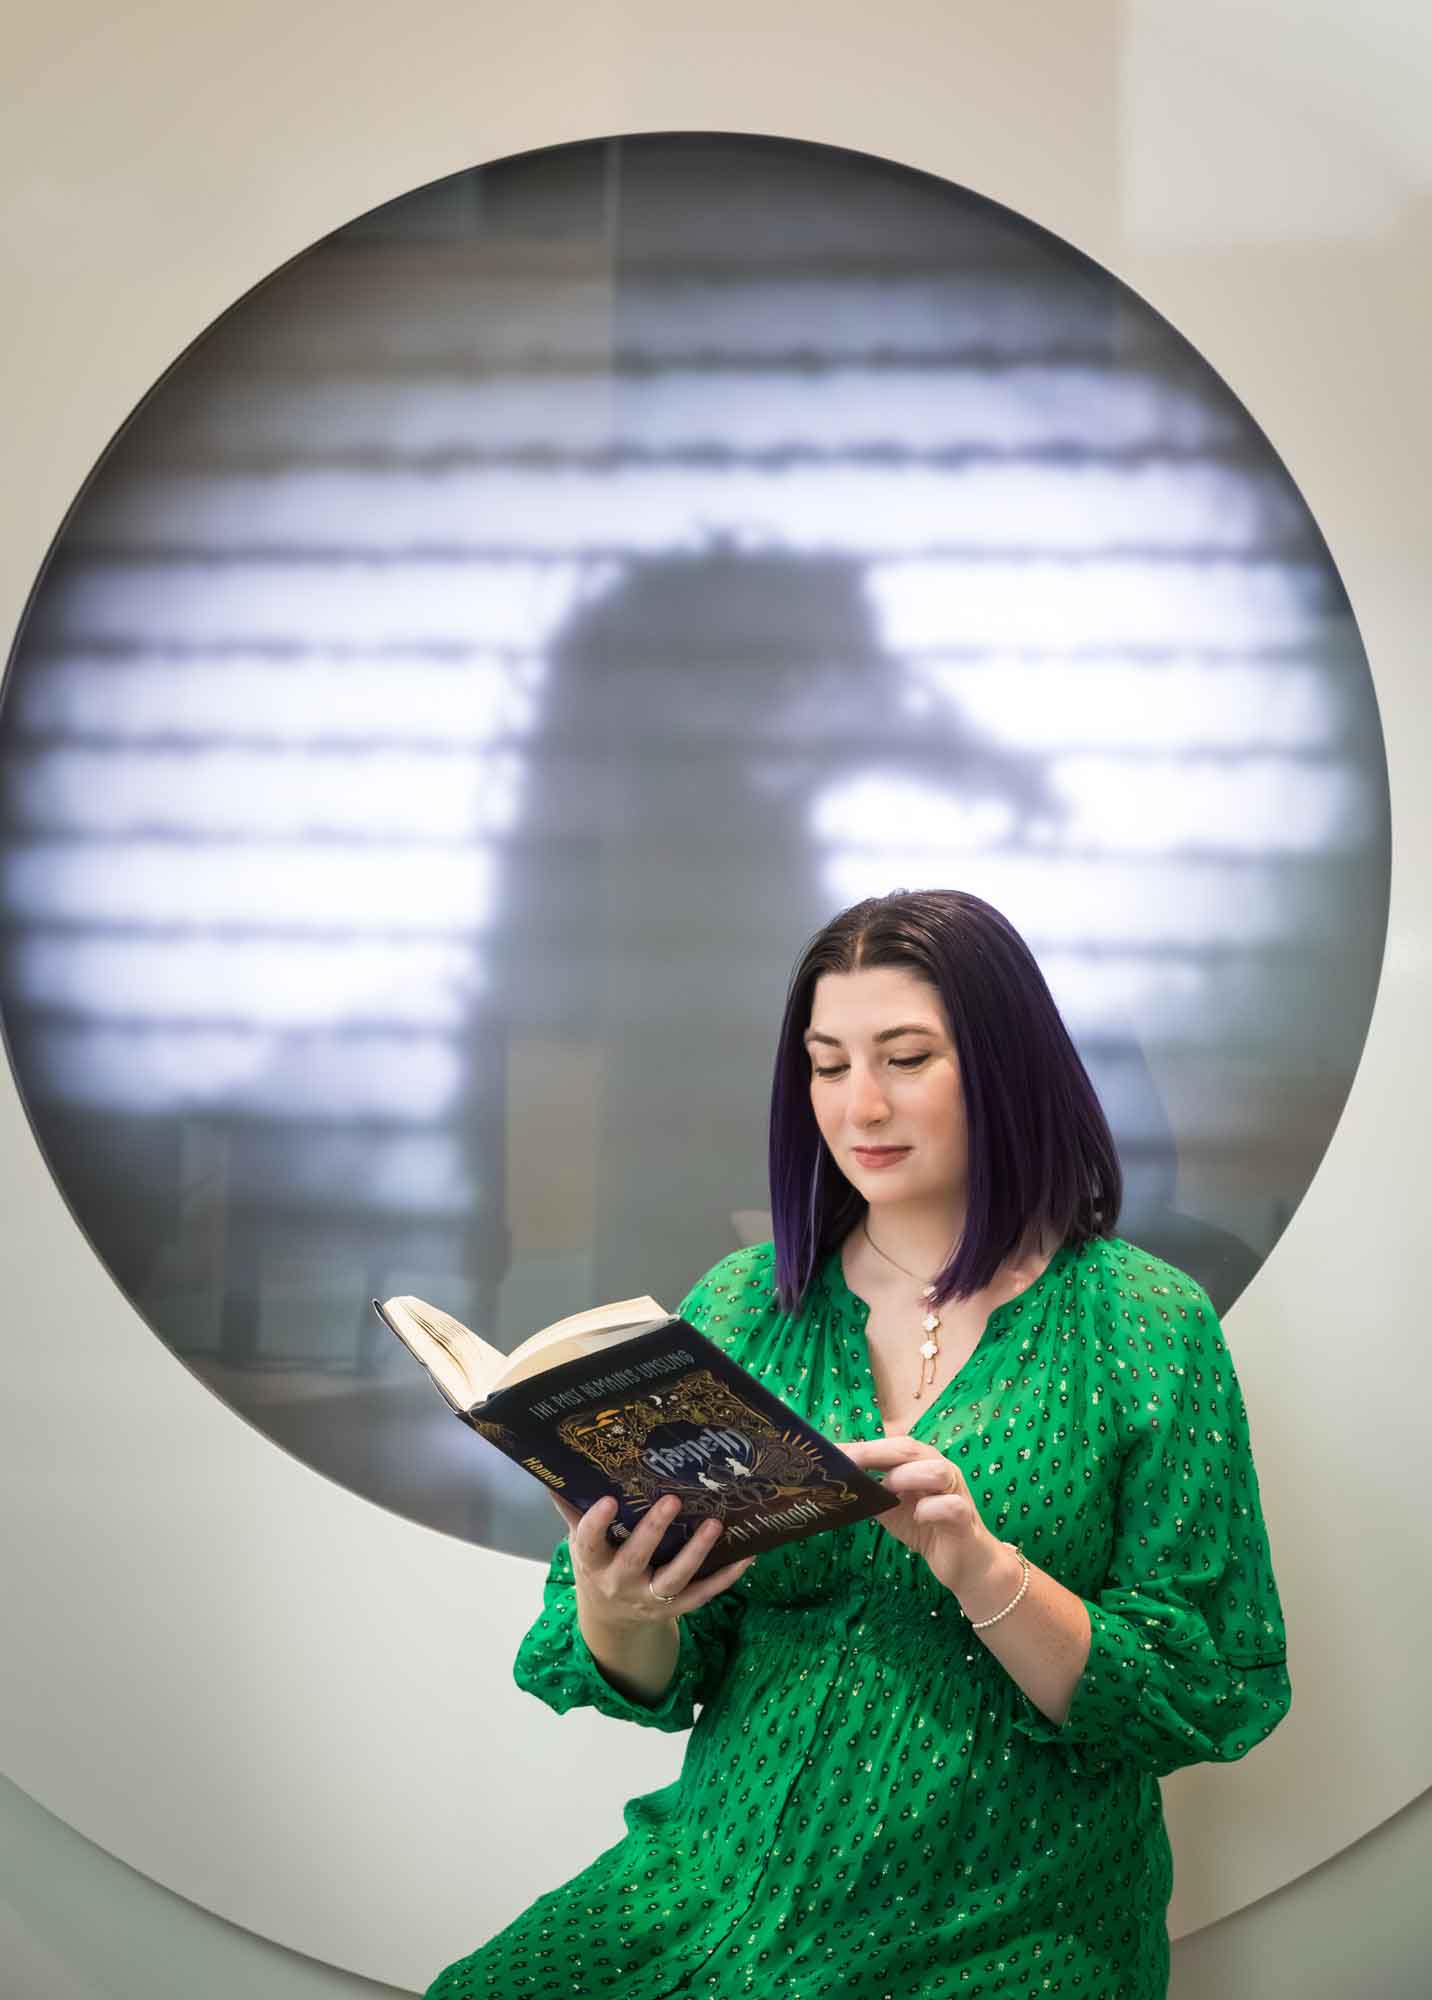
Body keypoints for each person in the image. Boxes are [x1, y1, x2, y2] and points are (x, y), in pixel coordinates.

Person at [425, 889, 1291, 2000]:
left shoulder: (1144, 1323)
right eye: (827, 1064)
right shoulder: (745, 1306)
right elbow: (664, 1673)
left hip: (1005, 1913)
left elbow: (1197, 1685)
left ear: (1004, 1064)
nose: (858, 1103)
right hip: (718, 1878)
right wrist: (619, 1603)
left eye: (905, 1056)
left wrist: (979, 1563)